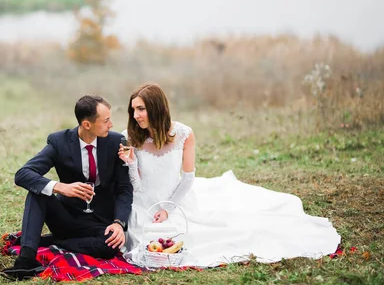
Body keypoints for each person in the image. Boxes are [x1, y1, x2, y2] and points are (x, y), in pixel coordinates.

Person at [118, 83, 341, 268]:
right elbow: (136, 188)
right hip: (143, 203)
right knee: (144, 244)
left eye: (141, 109)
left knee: (197, 238)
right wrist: (131, 164)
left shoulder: (184, 134)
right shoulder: (130, 137)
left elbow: (187, 179)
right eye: (134, 110)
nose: (136, 115)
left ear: (156, 108)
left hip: (175, 202)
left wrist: (168, 209)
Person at [2, 95, 133, 280]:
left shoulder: (118, 141)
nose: (111, 124)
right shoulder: (59, 142)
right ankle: (26, 260)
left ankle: (55, 241)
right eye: (106, 120)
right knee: (38, 191)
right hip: (67, 217)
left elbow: (124, 189)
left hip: (99, 223)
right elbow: (23, 174)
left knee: (110, 246)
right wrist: (60, 187)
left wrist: (119, 223)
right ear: (87, 124)